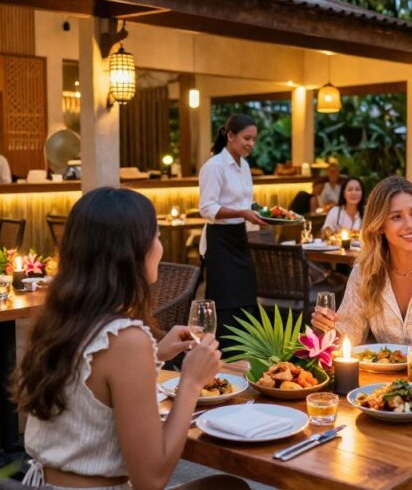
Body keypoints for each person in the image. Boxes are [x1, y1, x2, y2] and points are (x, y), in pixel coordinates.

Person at [16, 187, 246, 489]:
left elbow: (89, 395)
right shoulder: (125, 339)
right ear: (133, 252)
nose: (160, 248)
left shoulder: (57, 320)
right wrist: (191, 381)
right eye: (157, 236)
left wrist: (156, 356)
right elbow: (151, 480)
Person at [311, 176, 412, 361]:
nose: (410, 224)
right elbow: (349, 337)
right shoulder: (365, 272)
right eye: (397, 217)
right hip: (383, 386)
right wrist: (324, 328)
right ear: (379, 226)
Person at [198, 114, 267, 348]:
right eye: (247, 138)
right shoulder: (214, 167)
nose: (251, 144)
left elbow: (245, 204)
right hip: (219, 241)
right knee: (226, 298)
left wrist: (263, 213)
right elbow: (207, 208)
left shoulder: (244, 165)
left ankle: (247, 351)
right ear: (230, 136)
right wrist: (242, 213)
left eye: (254, 139)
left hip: (239, 236)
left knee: (246, 295)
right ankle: (225, 356)